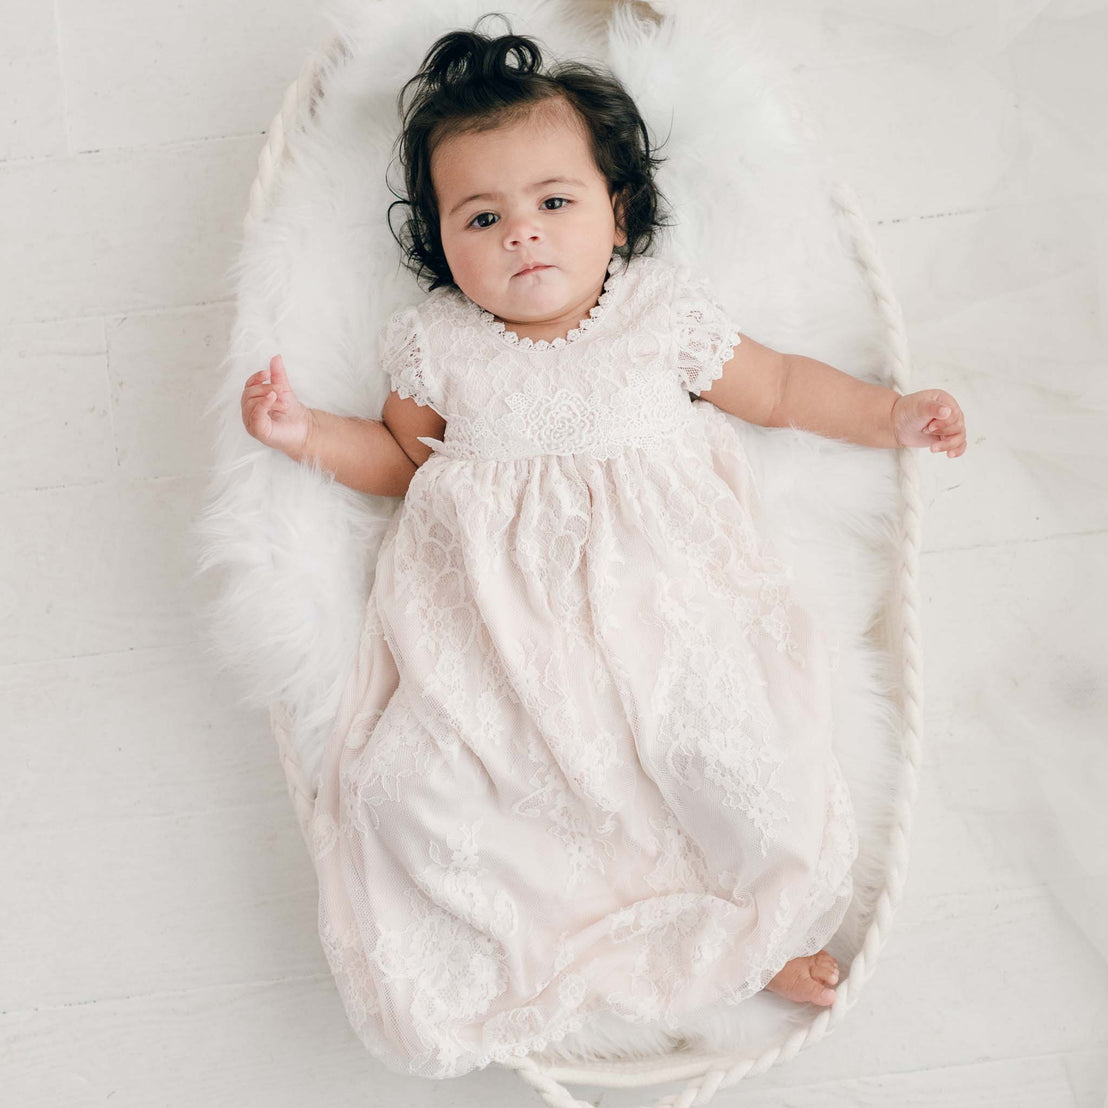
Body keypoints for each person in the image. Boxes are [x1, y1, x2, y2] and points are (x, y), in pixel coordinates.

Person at [239, 18, 966, 1081]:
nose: (521, 234)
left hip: (664, 601)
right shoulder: (435, 344)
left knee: (728, 750)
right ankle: (541, 957)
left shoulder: (658, 316)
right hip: (504, 631)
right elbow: (406, 462)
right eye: (481, 216)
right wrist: (303, 435)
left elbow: (779, 387)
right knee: (426, 790)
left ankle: (761, 933)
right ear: (439, 243)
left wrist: (891, 414)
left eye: (552, 202)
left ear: (617, 214)